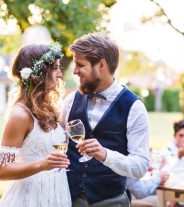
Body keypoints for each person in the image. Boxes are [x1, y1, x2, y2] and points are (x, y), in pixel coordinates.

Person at [61, 33, 150, 206]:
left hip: (111, 201)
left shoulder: (134, 107)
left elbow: (140, 166)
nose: (74, 71)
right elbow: (57, 143)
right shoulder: (70, 101)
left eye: (80, 65)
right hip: (69, 200)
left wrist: (106, 155)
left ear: (101, 64)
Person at [0, 43, 71, 207]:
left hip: (57, 193)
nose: (60, 75)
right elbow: (2, 170)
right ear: (40, 72)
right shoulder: (20, 115)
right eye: (55, 68)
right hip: (29, 199)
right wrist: (41, 165)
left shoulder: (50, 108)